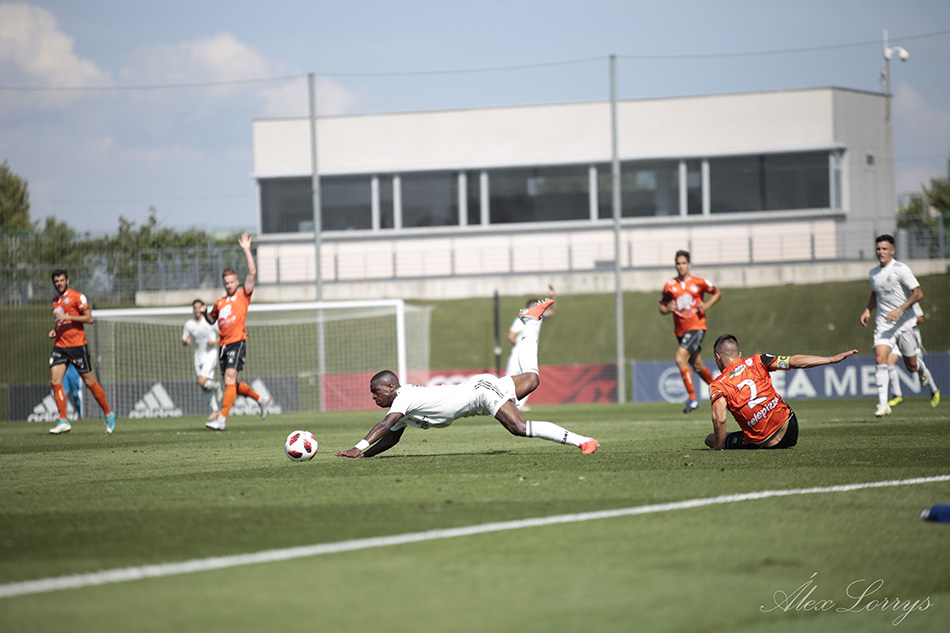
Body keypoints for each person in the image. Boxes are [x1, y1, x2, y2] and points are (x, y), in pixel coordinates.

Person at [336, 298, 599, 458]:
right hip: (479, 391)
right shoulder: (403, 407)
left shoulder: (403, 397)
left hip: (481, 393)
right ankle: (531, 322)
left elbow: (384, 425)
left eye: (376, 391)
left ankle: (583, 441)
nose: (374, 397)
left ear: (391, 387)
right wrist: (365, 456)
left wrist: (357, 447)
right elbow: (391, 437)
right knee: (532, 379)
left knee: (519, 427)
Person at [705, 334, 857, 450]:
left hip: (764, 441)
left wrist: (719, 448)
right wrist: (830, 359)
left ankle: (753, 438)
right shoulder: (759, 360)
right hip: (791, 428)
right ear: (739, 354)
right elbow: (794, 361)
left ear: (718, 357)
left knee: (711, 439)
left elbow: (720, 420)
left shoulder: (718, 385)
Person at [859, 234, 938, 417]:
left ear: (892, 250)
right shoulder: (873, 273)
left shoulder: (901, 269)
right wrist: (868, 309)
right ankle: (883, 404)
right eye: (878, 249)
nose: (881, 252)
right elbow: (875, 293)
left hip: (904, 325)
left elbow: (918, 293)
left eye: (884, 249)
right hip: (884, 325)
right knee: (880, 359)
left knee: (911, 366)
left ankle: (922, 370)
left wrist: (900, 310)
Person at [201, 233, 270, 430]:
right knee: (231, 384)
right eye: (226, 283)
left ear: (237, 281)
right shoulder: (220, 302)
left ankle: (221, 420)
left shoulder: (242, 296)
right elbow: (212, 320)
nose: (228, 285)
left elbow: (252, 273)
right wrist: (205, 313)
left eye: (231, 282)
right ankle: (261, 399)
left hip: (237, 342)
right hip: (223, 346)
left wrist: (247, 250)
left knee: (229, 380)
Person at [47, 269, 117, 434]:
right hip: (60, 347)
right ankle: (63, 420)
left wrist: (68, 318)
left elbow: (89, 318)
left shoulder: (77, 297)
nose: (59, 284)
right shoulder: (55, 301)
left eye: (62, 280)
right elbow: (61, 322)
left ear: (67, 281)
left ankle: (109, 414)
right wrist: (56, 330)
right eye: (56, 281)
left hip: (78, 347)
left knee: (89, 382)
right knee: (55, 381)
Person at [659, 250, 722, 413]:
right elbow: (661, 307)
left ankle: (692, 399)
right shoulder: (669, 285)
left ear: (689, 265)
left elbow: (717, 293)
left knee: (680, 358)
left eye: (683, 263)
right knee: (698, 367)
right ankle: (721, 390)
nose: (680, 266)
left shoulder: (699, 282)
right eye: (678, 263)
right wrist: (667, 308)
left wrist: (706, 306)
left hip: (696, 327)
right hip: (680, 331)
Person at [505, 284, 556, 412]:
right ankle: (505, 403)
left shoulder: (539, 318)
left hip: (530, 351)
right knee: (511, 378)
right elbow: (511, 335)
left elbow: (552, 312)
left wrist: (553, 297)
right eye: (534, 306)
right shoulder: (520, 320)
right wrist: (518, 343)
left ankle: (519, 405)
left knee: (529, 378)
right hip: (518, 352)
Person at [886, 304, 939, 408]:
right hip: (896, 336)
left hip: (910, 337)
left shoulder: (910, 300)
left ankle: (934, 390)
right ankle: (897, 395)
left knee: (914, 366)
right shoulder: (889, 301)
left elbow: (921, 319)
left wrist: (904, 319)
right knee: (889, 363)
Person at [182, 299, 223, 422]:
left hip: (210, 354)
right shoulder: (189, 324)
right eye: (194, 308)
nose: (196, 310)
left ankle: (217, 386)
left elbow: (223, 335)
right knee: (204, 386)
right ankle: (215, 411)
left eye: (199, 307)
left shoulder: (210, 321)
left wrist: (214, 342)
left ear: (203, 308)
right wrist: (186, 342)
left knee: (201, 381)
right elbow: (184, 340)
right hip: (198, 357)